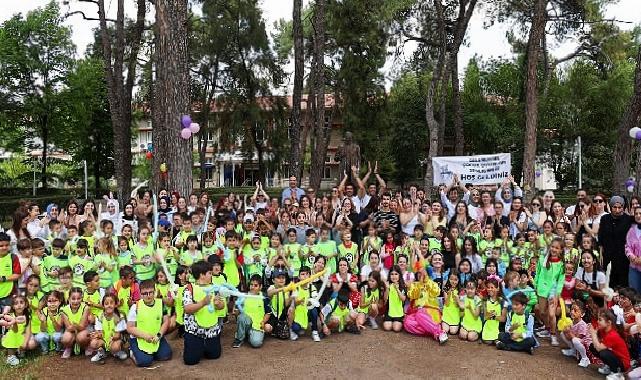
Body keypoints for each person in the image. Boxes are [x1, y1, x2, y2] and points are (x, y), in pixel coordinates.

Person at [182, 260, 223, 365]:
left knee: (214, 355)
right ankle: (197, 346)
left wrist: (219, 304)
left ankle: (204, 347)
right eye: (209, 273)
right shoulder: (189, 289)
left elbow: (221, 306)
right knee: (191, 361)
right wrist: (203, 303)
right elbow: (187, 309)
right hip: (195, 331)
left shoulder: (215, 287)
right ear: (202, 275)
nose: (212, 275)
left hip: (212, 329)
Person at [126, 279, 172, 367]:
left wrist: (159, 335)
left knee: (166, 355)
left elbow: (166, 321)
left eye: (150, 292)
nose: (148, 295)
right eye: (145, 293)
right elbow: (130, 327)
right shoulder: (136, 306)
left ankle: (149, 353)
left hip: (156, 336)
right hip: (139, 338)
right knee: (144, 362)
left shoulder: (161, 304)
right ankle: (132, 351)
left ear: (154, 291)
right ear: (140, 293)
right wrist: (144, 335)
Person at [599, 196, 633, 288]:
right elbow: (601, 239)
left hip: (623, 258)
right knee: (609, 284)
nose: (617, 210)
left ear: (623, 207)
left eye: (620, 207)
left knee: (623, 285)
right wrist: (601, 256)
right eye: (615, 207)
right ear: (610, 207)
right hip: (608, 257)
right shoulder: (605, 219)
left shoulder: (629, 219)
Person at [233, 274, 272, 348]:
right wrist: (236, 312)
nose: (252, 287)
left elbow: (268, 313)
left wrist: (263, 322)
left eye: (255, 285)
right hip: (246, 321)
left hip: (257, 325)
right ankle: (239, 339)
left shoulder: (264, 298)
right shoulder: (244, 296)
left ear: (260, 287)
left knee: (256, 343)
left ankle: (249, 334)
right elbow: (238, 313)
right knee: (241, 317)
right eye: (251, 285)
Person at [589, 309, 630, 380]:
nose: (598, 322)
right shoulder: (603, 330)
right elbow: (597, 344)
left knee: (603, 352)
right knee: (592, 347)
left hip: (623, 364)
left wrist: (593, 334)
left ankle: (618, 373)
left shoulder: (612, 335)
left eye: (600, 320)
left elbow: (599, 348)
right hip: (615, 356)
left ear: (608, 323)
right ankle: (610, 367)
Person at [1, 295, 37, 366]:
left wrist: (25, 343)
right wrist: (13, 321)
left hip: (21, 334)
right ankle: (10, 356)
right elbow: (14, 330)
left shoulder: (27, 317)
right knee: (11, 336)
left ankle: (20, 350)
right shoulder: (10, 316)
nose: (19, 305)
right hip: (13, 334)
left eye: (21, 302)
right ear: (13, 306)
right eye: (16, 303)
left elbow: (28, 331)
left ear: (25, 305)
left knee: (30, 341)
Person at [559, 300, 593, 368]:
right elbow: (570, 337)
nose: (572, 312)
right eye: (571, 309)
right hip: (577, 342)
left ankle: (585, 358)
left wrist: (569, 332)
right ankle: (573, 351)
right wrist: (566, 331)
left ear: (582, 314)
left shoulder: (582, 324)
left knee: (575, 340)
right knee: (562, 333)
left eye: (575, 311)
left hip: (585, 346)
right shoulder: (571, 322)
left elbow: (577, 338)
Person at [0, 232, 21, 309]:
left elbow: (17, 275)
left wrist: (3, 278)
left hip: (8, 296)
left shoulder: (13, 257)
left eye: (7, 245)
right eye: (1, 246)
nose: (4, 247)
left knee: (8, 319)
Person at [625, 206, 641, 293]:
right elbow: (627, 246)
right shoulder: (631, 230)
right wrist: (632, 257)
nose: (638, 216)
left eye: (640, 213)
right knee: (634, 293)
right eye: (636, 214)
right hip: (634, 267)